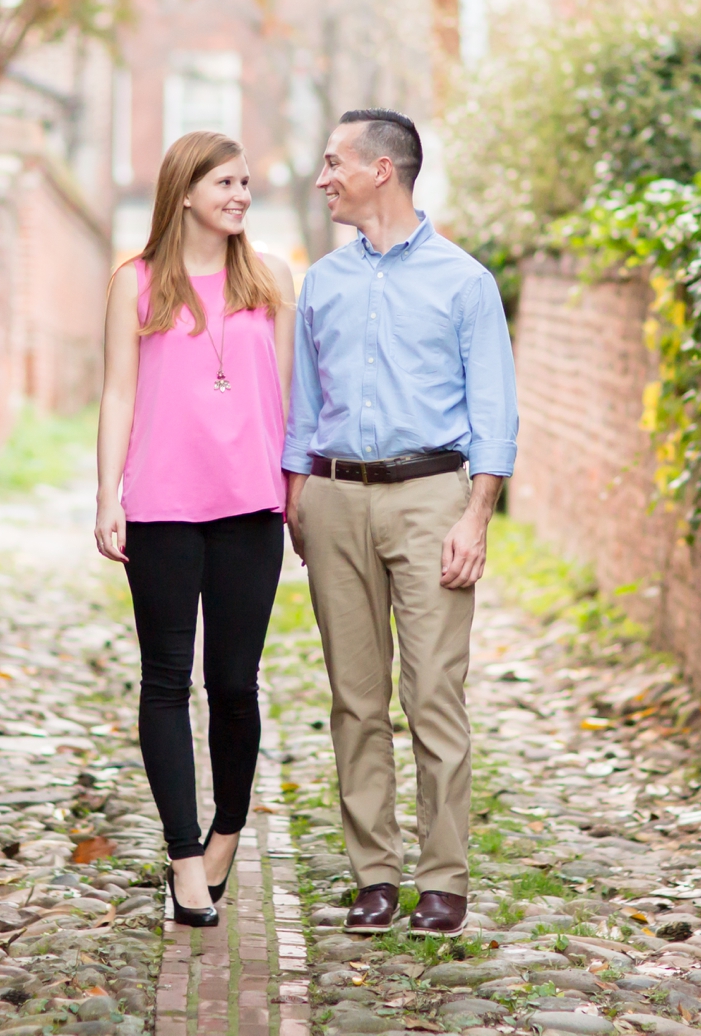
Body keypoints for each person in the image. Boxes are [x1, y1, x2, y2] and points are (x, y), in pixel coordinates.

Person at [283, 109, 517, 936]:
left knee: (433, 694)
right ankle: (375, 876)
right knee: (354, 698)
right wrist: (296, 495)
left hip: (431, 498)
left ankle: (443, 878)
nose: (323, 178)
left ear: (383, 170)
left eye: (334, 162)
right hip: (335, 498)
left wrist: (476, 516)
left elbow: (495, 412)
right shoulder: (323, 281)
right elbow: (304, 404)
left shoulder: (464, 282)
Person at [95, 130, 297, 928]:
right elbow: (118, 392)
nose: (241, 194)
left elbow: (286, 402)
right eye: (225, 182)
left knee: (235, 686)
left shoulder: (271, 280)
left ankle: (227, 834)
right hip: (164, 506)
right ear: (184, 191)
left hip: (251, 507)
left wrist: (297, 497)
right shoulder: (136, 283)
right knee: (165, 681)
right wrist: (106, 494)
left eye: (246, 182)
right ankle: (183, 857)